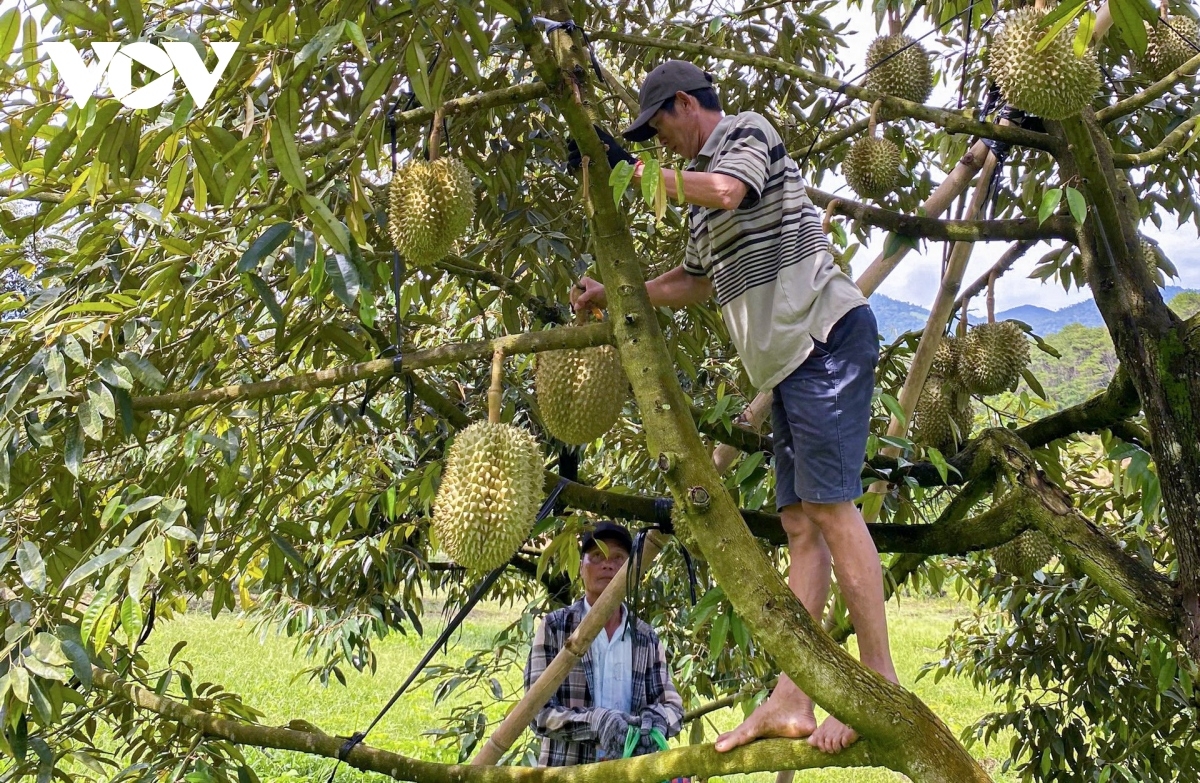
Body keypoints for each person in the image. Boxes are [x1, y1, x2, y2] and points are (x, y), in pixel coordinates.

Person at [569, 60, 898, 754]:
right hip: (786, 367)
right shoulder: (693, 199)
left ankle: (880, 684)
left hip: (824, 337)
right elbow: (692, 280)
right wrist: (614, 291)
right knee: (800, 526)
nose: (661, 147)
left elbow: (728, 189)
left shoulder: (746, 134)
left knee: (834, 513)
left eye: (660, 129)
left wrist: (633, 173)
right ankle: (792, 693)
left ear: (685, 103)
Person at [524, 521, 684, 765]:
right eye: (597, 556)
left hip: (629, 774)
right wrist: (596, 723)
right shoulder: (556, 628)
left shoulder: (644, 637)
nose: (608, 565)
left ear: (632, 571)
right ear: (580, 567)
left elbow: (671, 706)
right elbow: (537, 713)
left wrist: (657, 722)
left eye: (619, 558)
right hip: (568, 773)